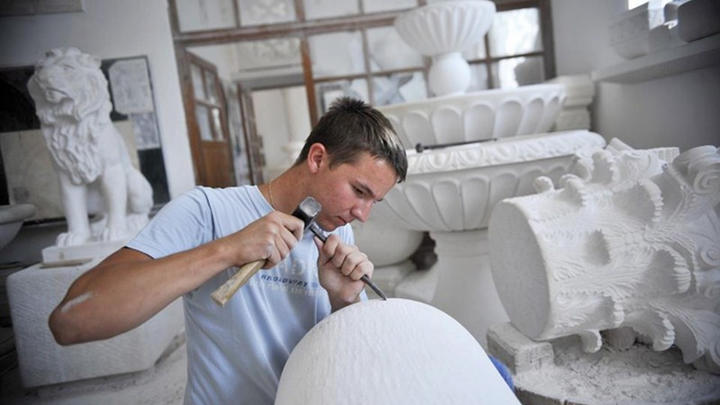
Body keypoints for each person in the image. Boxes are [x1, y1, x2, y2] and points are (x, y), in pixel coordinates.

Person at [48, 97, 408, 404]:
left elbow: (351, 361)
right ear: (317, 158)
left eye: (373, 201)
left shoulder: (337, 230)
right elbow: (72, 322)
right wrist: (227, 249)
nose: (362, 214)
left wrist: (343, 301)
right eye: (359, 191)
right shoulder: (206, 211)